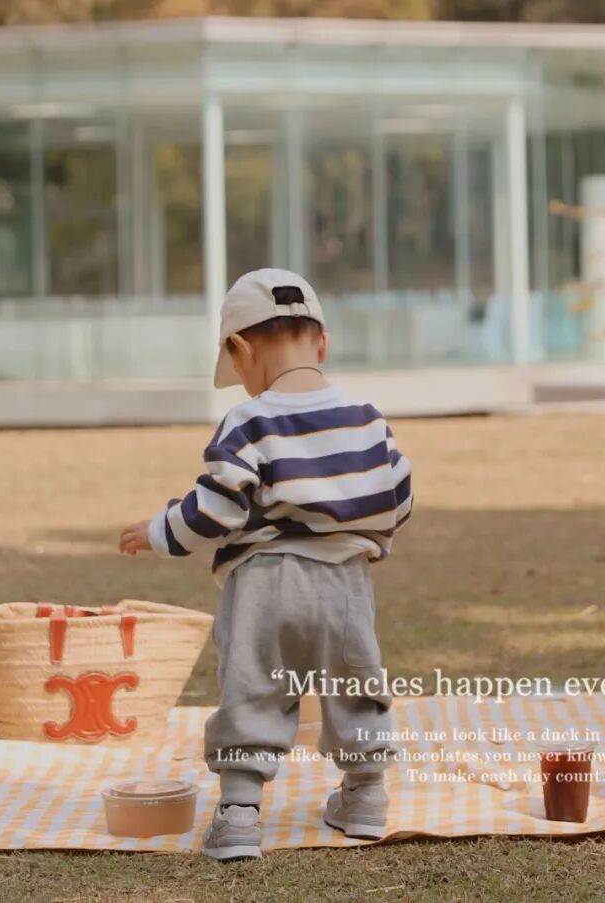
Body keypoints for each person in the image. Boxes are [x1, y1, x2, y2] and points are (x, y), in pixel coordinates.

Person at [119, 268, 413, 861]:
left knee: (252, 688)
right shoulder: (365, 416)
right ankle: (365, 798)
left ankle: (238, 815)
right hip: (346, 583)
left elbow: (217, 507)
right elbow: (398, 496)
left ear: (241, 349)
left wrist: (158, 531)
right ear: (322, 343)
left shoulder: (248, 421)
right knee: (354, 682)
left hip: (265, 582)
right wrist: (361, 539)